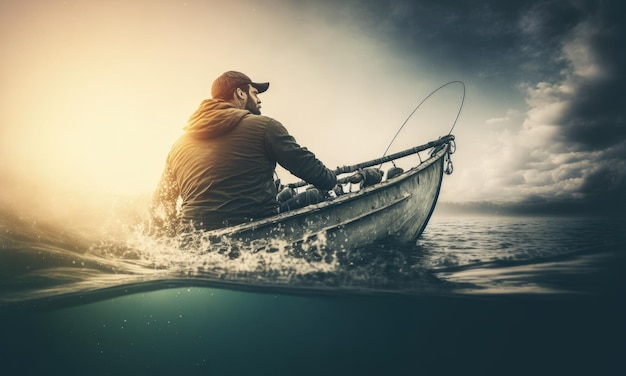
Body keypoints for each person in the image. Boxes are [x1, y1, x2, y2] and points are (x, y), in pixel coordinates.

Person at [150, 71, 337, 236]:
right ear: (240, 93)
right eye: (254, 93)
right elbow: (312, 171)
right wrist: (330, 179)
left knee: (286, 194)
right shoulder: (265, 126)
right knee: (314, 195)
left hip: (192, 236)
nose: (259, 100)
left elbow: (162, 200)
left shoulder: (178, 145)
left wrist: (175, 231)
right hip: (253, 228)